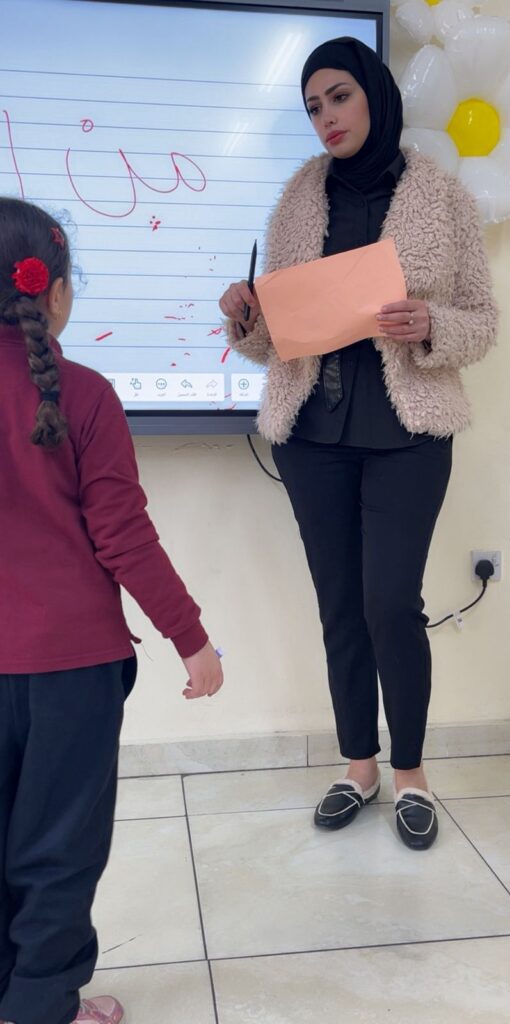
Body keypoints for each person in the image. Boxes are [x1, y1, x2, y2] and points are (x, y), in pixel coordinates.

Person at [219, 37, 497, 851]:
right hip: (314, 435)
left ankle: (411, 774)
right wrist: (248, 318)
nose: (326, 118)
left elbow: (483, 320)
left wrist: (432, 323)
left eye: (339, 96)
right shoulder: (297, 199)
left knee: (389, 604)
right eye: (312, 107)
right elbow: (278, 339)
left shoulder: (441, 197)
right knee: (339, 604)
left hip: (408, 432)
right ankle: (359, 766)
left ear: (375, 93)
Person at [0, 197, 223, 1024]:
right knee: (58, 846)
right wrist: (192, 640)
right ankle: (40, 1005)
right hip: (72, 669)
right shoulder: (86, 395)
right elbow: (123, 537)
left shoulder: (81, 396)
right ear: (55, 292)